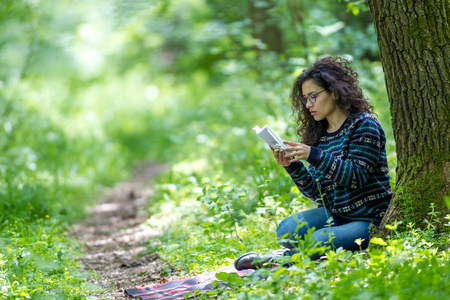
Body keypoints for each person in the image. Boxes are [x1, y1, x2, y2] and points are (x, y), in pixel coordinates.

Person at [235, 56, 392, 270]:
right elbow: (317, 193)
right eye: (304, 99)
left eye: (313, 97)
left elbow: (356, 177)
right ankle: (297, 253)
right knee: (286, 230)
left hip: (369, 219)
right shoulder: (320, 134)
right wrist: (292, 166)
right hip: (335, 215)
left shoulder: (364, 125)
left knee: (317, 241)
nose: (308, 105)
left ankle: (276, 260)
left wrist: (314, 155)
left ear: (335, 92)